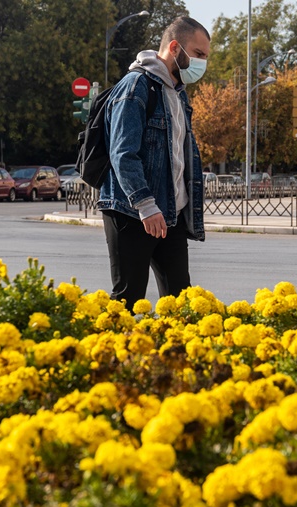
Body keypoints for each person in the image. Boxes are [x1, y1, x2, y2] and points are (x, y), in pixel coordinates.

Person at [98, 16, 210, 310]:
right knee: (127, 301)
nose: (202, 63)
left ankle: (170, 356)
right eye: (198, 54)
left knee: (180, 303)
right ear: (175, 47)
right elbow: (123, 153)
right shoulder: (135, 87)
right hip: (132, 211)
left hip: (170, 214)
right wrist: (146, 205)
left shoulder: (178, 95)